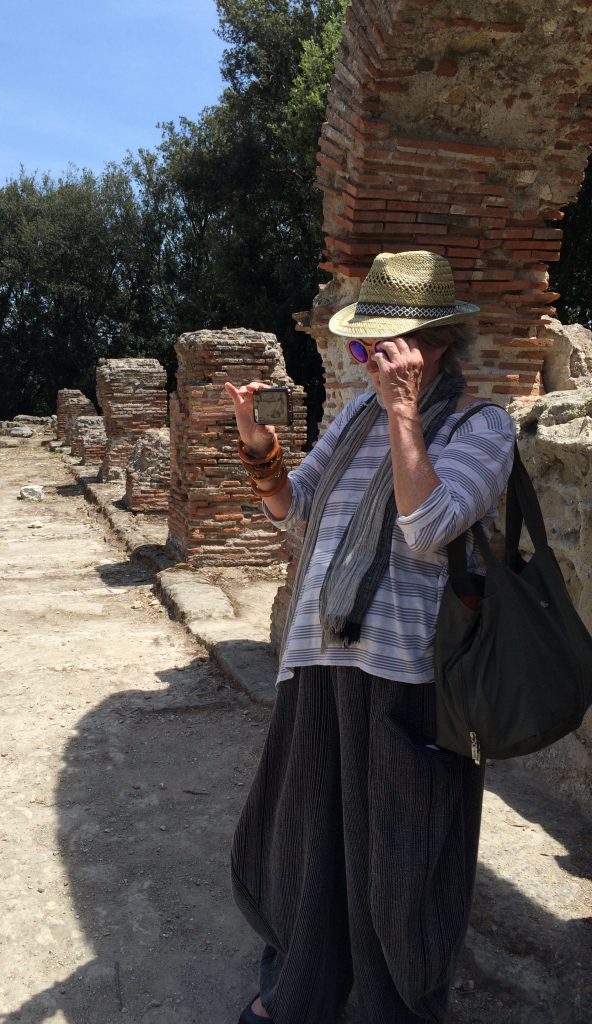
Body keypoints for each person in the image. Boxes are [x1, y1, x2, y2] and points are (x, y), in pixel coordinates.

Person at [224, 250, 516, 1024]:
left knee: (401, 869)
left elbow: (429, 529)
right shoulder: (356, 417)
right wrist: (259, 449)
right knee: (304, 851)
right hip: (320, 662)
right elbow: (292, 512)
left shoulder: (482, 427)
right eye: (363, 349)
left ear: (435, 343)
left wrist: (403, 414)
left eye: (380, 348)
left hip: (410, 678)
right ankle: (298, 997)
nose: (368, 364)